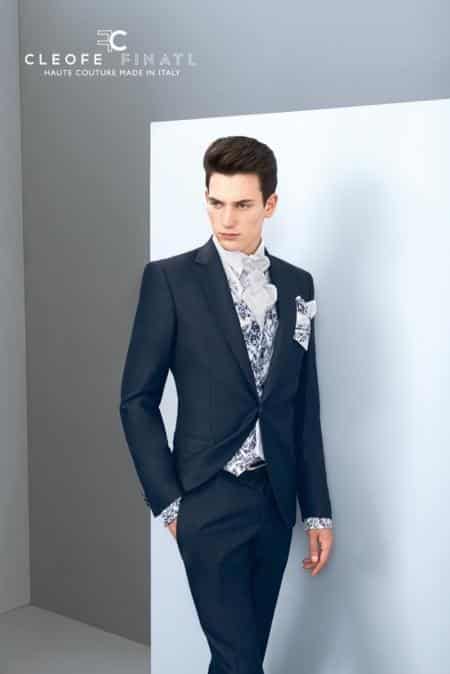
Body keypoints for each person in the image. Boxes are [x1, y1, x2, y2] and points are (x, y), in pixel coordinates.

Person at [119, 135, 334, 674]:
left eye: (242, 204)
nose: (226, 219)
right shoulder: (169, 280)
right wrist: (170, 505)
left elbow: (303, 406)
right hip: (206, 499)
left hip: (275, 501)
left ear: (270, 204)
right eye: (216, 202)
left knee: (238, 659)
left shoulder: (298, 285)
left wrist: (317, 509)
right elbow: (137, 400)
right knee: (240, 662)